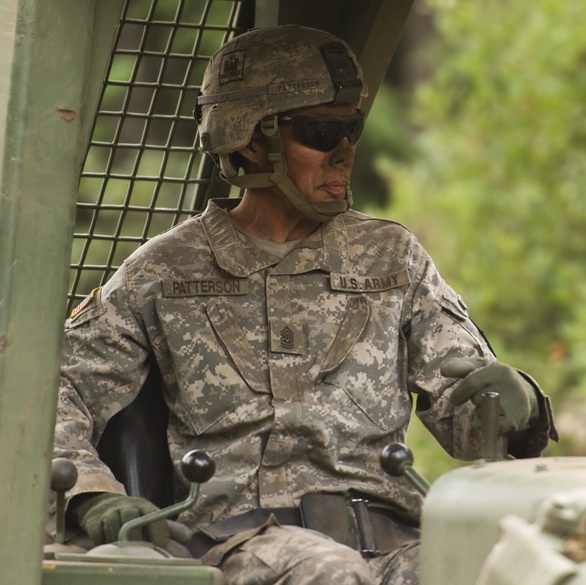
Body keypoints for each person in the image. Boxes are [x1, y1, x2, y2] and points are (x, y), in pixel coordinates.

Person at [53, 24, 557, 584]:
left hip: (392, 536)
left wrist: (519, 401)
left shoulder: (393, 258)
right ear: (249, 139)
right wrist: (89, 495)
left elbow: (467, 422)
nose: (345, 152)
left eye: (352, 129)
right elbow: (52, 390)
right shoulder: (166, 272)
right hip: (239, 541)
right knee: (330, 574)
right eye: (321, 132)